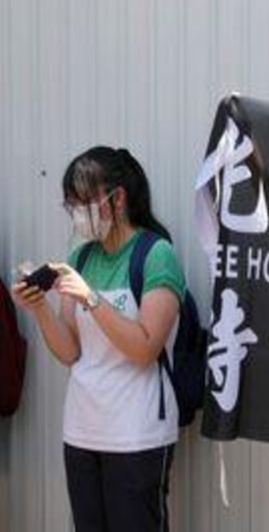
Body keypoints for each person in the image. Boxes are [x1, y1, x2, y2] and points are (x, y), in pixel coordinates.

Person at [11, 146, 186, 531]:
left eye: (83, 201)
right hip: (83, 429)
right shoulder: (81, 256)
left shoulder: (156, 255)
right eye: (70, 203)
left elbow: (144, 348)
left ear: (117, 198)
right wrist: (39, 306)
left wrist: (90, 298)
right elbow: (71, 351)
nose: (76, 212)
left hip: (137, 434)